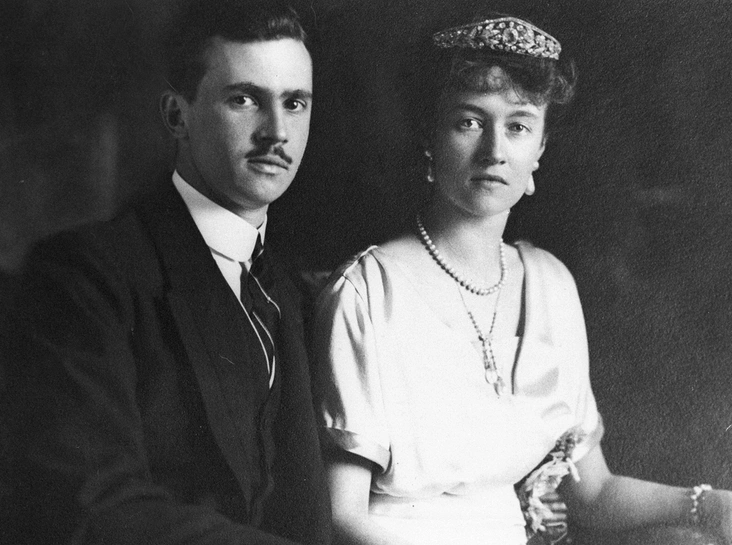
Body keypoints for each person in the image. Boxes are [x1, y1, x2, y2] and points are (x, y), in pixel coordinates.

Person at [311, 13, 732, 545]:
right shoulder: (368, 292)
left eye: (518, 126)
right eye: (469, 122)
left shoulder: (550, 285)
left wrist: (709, 505)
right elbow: (342, 519)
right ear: (429, 139)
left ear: (539, 149)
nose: (495, 150)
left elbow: (594, 494)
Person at [3, 1, 330, 543]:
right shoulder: (83, 276)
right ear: (177, 116)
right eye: (244, 99)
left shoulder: (295, 293)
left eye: (294, 103)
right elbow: (94, 508)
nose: (277, 132)